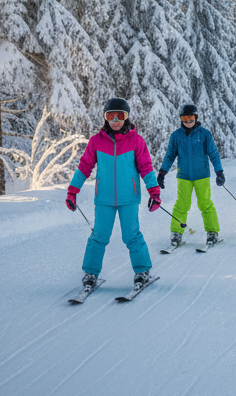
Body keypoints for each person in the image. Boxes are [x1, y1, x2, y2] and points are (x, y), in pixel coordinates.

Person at [65, 97, 161, 295]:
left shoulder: (136, 141)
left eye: (120, 116)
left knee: (131, 235)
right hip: (105, 198)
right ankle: (91, 274)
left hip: (129, 197)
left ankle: (142, 271)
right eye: (111, 115)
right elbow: (84, 167)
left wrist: (154, 191)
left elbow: (146, 167)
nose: (115, 120)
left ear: (126, 118)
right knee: (99, 235)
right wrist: (73, 190)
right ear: (105, 118)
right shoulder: (96, 142)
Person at [156, 103, 225, 249]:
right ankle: (176, 233)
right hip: (184, 175)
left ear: (196, 118)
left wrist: (219, 171)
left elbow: (213, 153)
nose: (188, 122)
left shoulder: (204, 134)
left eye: (190, 118)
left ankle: (212, 231)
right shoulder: (176, 136)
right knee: (182, 204)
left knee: (205, 203)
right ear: (181, 119)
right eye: (185, 119)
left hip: (202, 175)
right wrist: (162, 173)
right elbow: (170, 155)